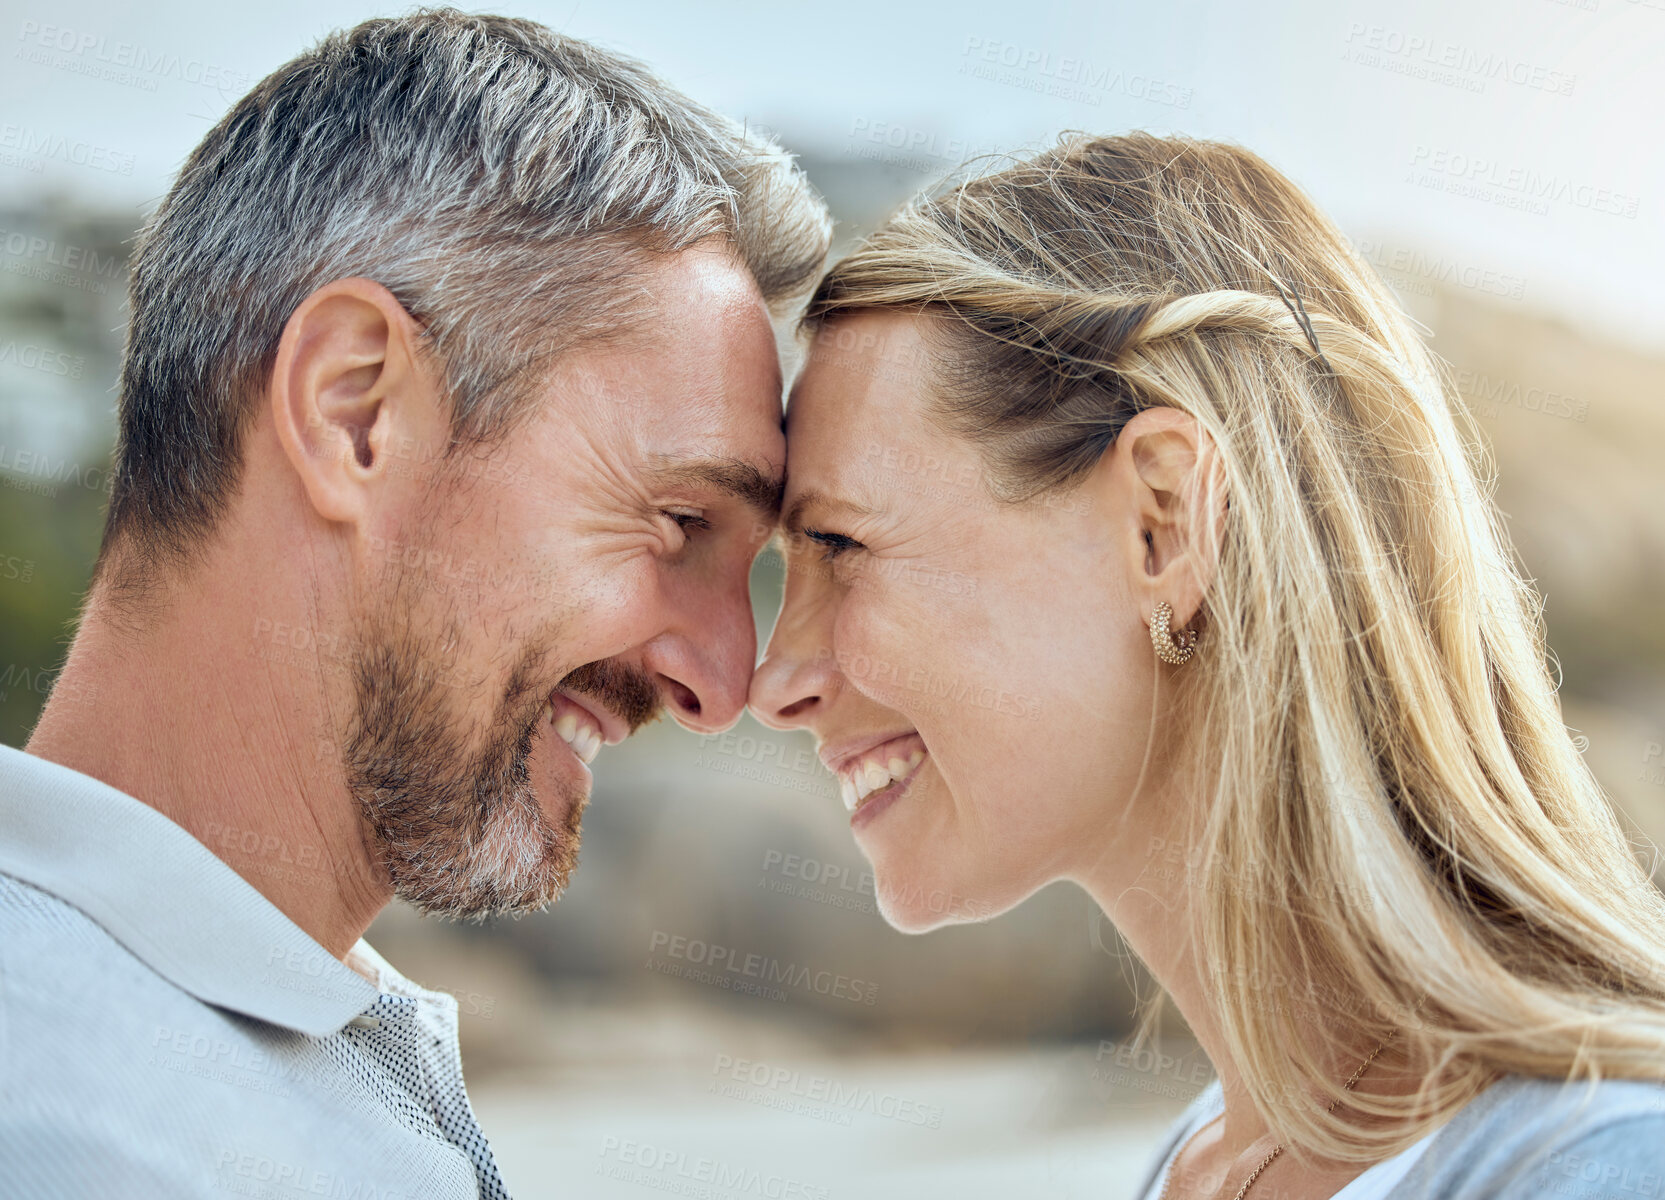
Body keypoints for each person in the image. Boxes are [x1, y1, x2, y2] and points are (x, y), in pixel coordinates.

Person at [0, 9, 828, 1196]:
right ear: (354, 413)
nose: (722, 686)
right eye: (681, 522)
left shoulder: (273, 1036)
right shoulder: (71, 1139)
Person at [748, 132, 1665, 1198]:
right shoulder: (1197, 1167)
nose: (775, 682)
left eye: (841, 547)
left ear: (1165, 523)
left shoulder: (1607, 1168)